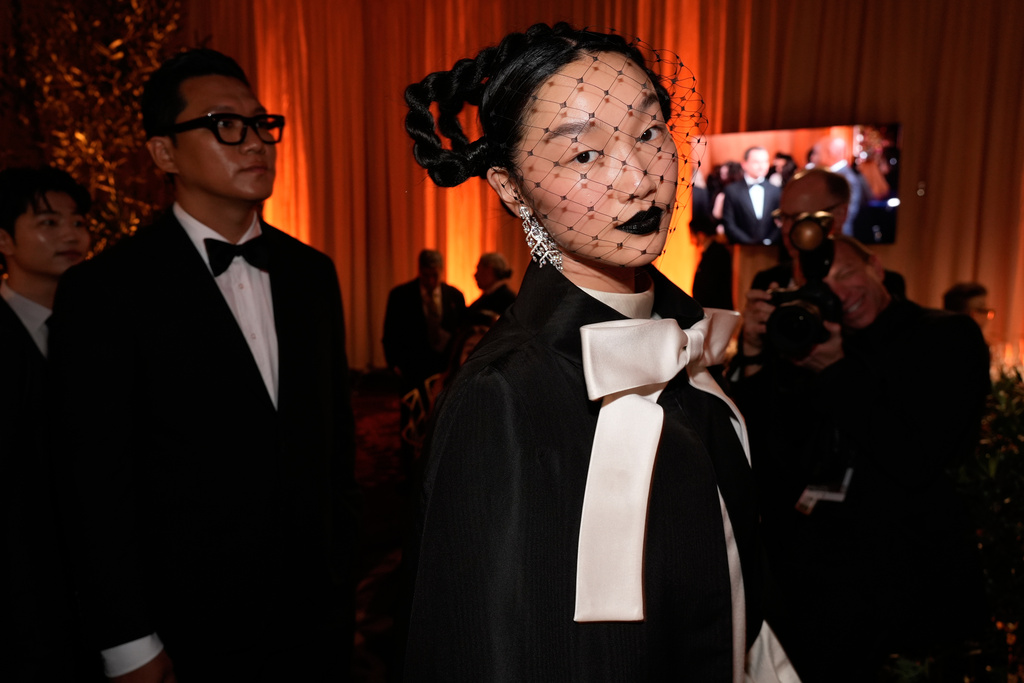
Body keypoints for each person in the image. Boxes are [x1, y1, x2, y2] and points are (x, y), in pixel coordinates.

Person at [402, 22, 797, 681]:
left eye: (648, 132)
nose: (638, 175)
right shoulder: (502, 396)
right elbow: (485, 649)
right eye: (583, 154)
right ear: (508, 187)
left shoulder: (685, 339)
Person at [47, 49, 357, 682]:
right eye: (224, 125)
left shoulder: (311, 274)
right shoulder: (105, 291)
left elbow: (333, 448)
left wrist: (342, 585)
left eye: (261, 123)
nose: (253, 142)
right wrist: (127, 640)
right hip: (185, 628)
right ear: (163, 153)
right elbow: (92, 485)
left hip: (314, 622)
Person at [730, 235, 990, 681]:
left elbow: (915, 458)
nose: (841, 293)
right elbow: (760, 459)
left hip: (909, 586)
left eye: (847, 273)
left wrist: (836, 371)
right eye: (824, 284)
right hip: (810, 590)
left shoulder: (944, 335)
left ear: (876, 265)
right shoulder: (807, 343)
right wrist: (754, 354)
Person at [0, 166, 102, 682]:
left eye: (78, 221)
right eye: (47, 222)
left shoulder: (100, 328)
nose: (70, 235)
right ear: (4, 239)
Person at [735, 168, 906, 379]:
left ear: (839, 215)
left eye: (801, 218)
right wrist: (752, 347)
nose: (788, 229)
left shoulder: (877, 289)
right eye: (784, 218)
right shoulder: (768, 282)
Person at [382, 248, 466, 389]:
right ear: (419, 270)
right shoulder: (400, 295)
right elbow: (390, 331)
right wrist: (393, 363)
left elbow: (462, 332)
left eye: (435, 275)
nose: (431, 281)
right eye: (426, 275)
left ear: (442, 271)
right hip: (411, 366)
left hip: (446, 368)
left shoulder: (455, 296)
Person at [721, 146, 782, 245]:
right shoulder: (732, 190)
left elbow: (781, 222)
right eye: (756, 162)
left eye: (765, 161)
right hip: (741, 249)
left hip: (772, 250)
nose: (761, 166)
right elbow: (729, 224)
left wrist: (769, 241)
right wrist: (748, 244)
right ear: (744, 164)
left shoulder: (775, 190)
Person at [810, 136, 869, 237]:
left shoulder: (846, 178)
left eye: (816, 153)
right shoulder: (833, 175)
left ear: (830, 153)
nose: (813, 158)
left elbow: (847, 216)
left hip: (837, 238)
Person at [690, 209, 733, 310]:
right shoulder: (712, 252)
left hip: (716, 310)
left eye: (692, 235)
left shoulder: (717, 253)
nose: (691, 240)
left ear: (700, 235)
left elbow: (710, 286)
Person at [467, 251, 515, 322]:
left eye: (478, 269)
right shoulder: (482, 300)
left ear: (489, 270)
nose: (475, 275)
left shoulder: (508, 301)